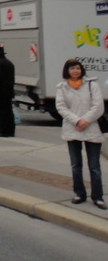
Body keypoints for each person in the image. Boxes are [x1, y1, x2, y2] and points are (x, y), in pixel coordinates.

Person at [55, 58, 106, 209]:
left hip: (91, 128)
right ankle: (79, 193)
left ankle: (98, 196)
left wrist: (86, 121)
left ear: (82, 70)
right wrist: (77, 121)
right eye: (72, 69)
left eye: (77, 68)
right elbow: (61, 107)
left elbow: (98, 106)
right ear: (67, 71)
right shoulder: (62, 87)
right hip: (73, 128)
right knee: (76, 164)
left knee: (94, 166)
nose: (75, 71)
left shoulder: (92, 85)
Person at [0, 46, 15, 137]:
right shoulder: (9, 63)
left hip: (0, 92)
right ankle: (10, 130)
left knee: (1, 112)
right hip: (8, 91)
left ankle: (3, 130)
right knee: (8, 111)